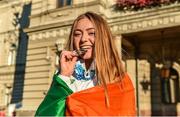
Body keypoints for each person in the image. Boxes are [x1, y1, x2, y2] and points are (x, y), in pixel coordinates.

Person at [35, 11, 136, 116]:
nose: (83, 39)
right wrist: (64, 77)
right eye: (77, 34)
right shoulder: (62, 76)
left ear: (103, 38)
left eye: (92, 33)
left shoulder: (119, 80)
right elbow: (45, 114)